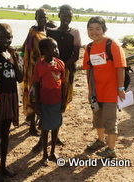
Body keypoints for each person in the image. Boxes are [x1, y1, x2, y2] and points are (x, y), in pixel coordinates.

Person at [33, 4, 82, 151]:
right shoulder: (51, 32)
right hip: (49, 72)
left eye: (70, 16)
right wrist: (53, 68)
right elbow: (45, 49)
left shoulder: (75, 33)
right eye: (64, 15)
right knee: (45, 103)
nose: (67, 18)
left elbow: (76, 56)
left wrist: (61, 67)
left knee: (60, 103)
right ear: (59, 15)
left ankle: (56, 134)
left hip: (64, 72)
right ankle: (42, 140)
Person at [83, 16, 126, 158]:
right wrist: (90, 92)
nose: (94, 32)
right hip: (96, 92)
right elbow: (89, 71)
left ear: (104, 30)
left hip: (111, 91)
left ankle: (111, 149)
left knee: (109, 120)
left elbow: (120, 67)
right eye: (90, 29)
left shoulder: (112, 44)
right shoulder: (89, 48)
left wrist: (120, 89)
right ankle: (101, 141)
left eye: (97, 29)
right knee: (97, 119)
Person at [0, 23, 23, 177]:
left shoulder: (12, 55)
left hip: (11, 97)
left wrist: (16, 59)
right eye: (2, 37)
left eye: (8, 37)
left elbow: (20, 77)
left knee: (6, 133)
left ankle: (3, 166)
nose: (5, 40)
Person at [33, 37, 66, 165]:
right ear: (46, 51)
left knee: (56, 127)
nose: (57, 50)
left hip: (57, 101)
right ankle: (45, 155)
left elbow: (63, 84)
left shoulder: (60, 64)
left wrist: (64, 101)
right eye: (54, 48)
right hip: (44, 101)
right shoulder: (39, 65)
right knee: (45, 128)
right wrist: (37, 104)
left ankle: (53, 152)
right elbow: (36, 84)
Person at [22, 8, 48, 136]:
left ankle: (41, 122)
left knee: (43, 95)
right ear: (36, 18)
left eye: (44, 17)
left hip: (45, 70)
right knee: (33, 96)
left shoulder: (47, 32)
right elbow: (25, 47)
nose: (42, 19)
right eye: (40, 17)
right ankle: (32, 126)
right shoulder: (33, 32)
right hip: (34, 70)